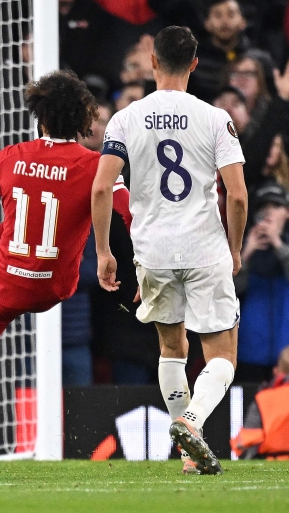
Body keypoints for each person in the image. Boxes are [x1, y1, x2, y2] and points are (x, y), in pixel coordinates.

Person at [0, 70, 132, 474]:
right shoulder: (96, 168)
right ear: (85, 118)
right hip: (55, 285)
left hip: (7, 281)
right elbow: (128, 210)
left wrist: (6, 183)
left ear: (41, 116)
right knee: (19, 222)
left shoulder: (12, 156)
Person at [92, 25, 248, 475]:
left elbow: (102, 188)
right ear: (195, 65)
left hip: (153, 250)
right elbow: (236, 195)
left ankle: (186, 456)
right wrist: (235, 250)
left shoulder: (124, 118)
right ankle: (192, 424)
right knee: (221, 356)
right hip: (203, 246)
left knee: (171, 349)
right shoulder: (214, 117)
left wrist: (104, 250)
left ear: (154, 62)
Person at [235, 183, 289, 380]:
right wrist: (246, 254)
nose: (268, 213)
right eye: (262, 207)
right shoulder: (240, 250)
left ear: (287, 213)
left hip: (287, 356)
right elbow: (230, 291)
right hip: (250, 354)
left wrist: (278, 244)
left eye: (275, 206)